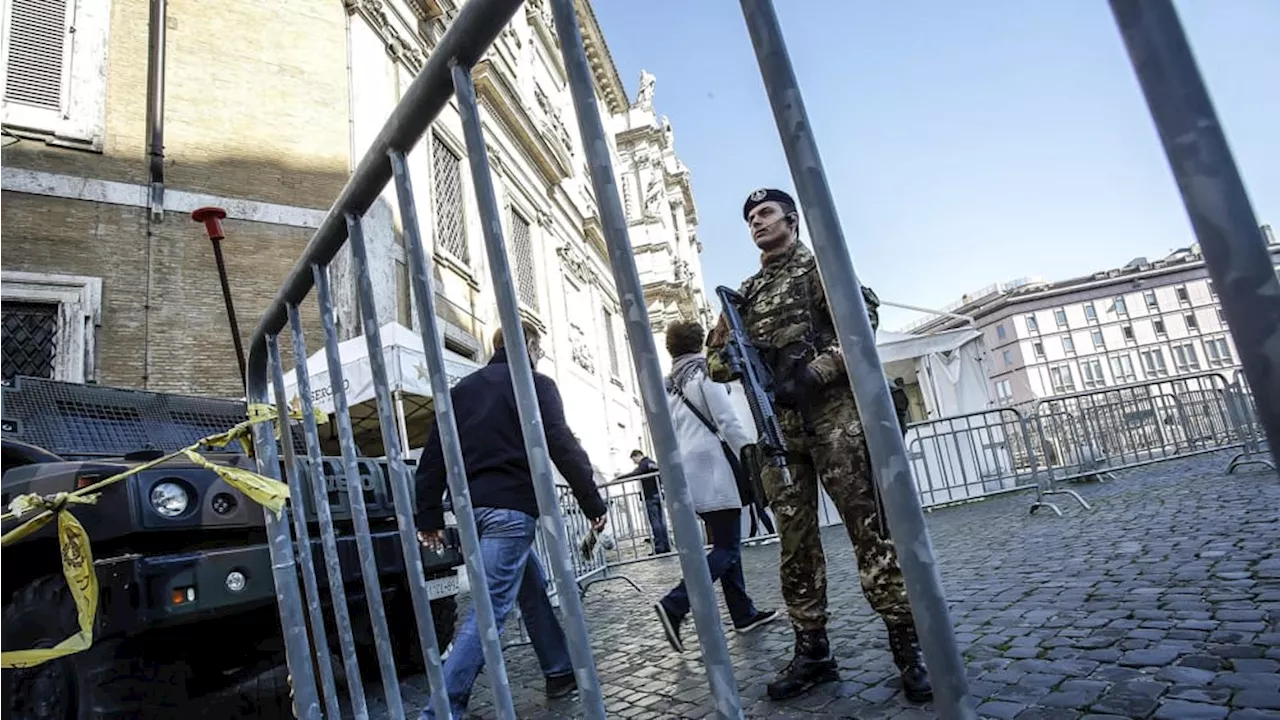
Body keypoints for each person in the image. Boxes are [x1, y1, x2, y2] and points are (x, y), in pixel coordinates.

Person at [705, 188, 932, 703]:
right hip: (782, 433)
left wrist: (814, 372)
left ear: (790, 219)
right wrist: (739, 359)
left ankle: (909, 647)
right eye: (749, 219)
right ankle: (813, 652)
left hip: (835, 420)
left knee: (869, 532)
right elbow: (715, 360)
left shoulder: (819, 270)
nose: (756, 222)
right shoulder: (744, 296)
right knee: (796, 546)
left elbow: (860, 321)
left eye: (765, 213)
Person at [414, 321, 608, 718]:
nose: (540, 357)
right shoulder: (536, 384)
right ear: (531, 346)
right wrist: (591, 500)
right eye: (540, 349)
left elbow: (433, 455)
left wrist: (429, 514)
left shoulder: (461, 391)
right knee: (489, 609)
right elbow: (561, 442)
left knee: (530, 586)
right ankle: (441, 709)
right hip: (510, 510)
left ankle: (559, 669)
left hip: (470, 512)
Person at [653, 320, 778, 652]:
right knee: (728, 548)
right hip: (715, 465)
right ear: (698, 344)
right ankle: (675, 604)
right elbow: (725, 419)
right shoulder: (704, 373)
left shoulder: (666, 386)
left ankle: (743, 613)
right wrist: (749, 451)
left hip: (688, 470)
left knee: (725, 541)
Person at [623, 449, 672, 554]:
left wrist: (619, 478)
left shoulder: (644, 464)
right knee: (661, 521)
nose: (634, 462)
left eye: (634, 460)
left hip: (650, 495)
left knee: (655, 521)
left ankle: (660, 547)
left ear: (637, 456)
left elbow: (635, 474)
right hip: (658, 494)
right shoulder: (652, 463)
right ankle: (666, 545)